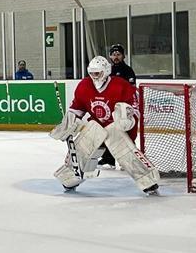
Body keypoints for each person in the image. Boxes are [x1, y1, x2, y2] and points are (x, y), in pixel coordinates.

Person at [48, 56, 158, 195]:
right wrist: (69, 122)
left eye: (97, 73)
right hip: (97, 128)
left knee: (123, 149)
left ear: (106, 71)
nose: (94, 76)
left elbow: (134, 108)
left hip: (117, 129)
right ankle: (70, 178)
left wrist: (128, 118)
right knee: (82, 146)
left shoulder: (121, 85)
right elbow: (77, 108)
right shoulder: (84, 85)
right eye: (92, 73)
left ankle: (148, 181)